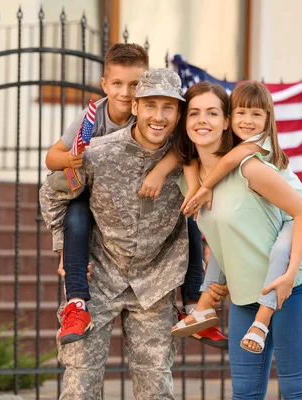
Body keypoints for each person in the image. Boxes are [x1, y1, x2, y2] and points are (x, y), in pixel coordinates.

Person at [44, 43, 226, 349]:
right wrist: (73, 161)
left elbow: (184, 151)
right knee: (76, 213)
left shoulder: (167, 124)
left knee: (191, 221)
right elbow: (52, 166)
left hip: (152, 271)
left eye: (133, 85)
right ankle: (76, 299)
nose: (126, 93)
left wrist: (167, 177)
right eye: (118, 84)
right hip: (92, 202)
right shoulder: (94, 120)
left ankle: (195, 303)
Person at [40, 68, 198, 399]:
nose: (158, 116)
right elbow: (52, 195)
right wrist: (62, 250)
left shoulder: (190, 160)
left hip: (155, 283)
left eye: (168, 107)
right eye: (151, 105)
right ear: (136, 107)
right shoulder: (97, 153)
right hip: (100, 277)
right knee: (79, 386)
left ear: (179, 113)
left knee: (156, 388)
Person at [174, 81, 302, 398]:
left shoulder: (249, 166)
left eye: (212, 113)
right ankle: (203, 308)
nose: (202, 121)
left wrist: (287, 276)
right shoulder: (188, 178)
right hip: (245, 298)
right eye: (194, 114)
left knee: (296, 390)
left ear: (225, 120)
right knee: (245, 394)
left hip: (294, 290)